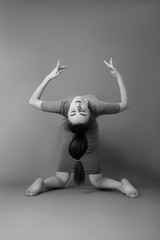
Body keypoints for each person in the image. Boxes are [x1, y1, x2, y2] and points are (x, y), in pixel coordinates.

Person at [26, 58, 139, 198]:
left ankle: (43, 184)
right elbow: (125, 104)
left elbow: (32, 101)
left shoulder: (65, 106)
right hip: (77, 140)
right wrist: (118, 77)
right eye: (80, 111)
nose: (77, 107)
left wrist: (48, 77)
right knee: (96, 181)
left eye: (74, 112)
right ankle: (121, 186)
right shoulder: (97, 107)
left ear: (67, 113)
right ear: (90, 112)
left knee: (61, 179)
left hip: (78, 141)